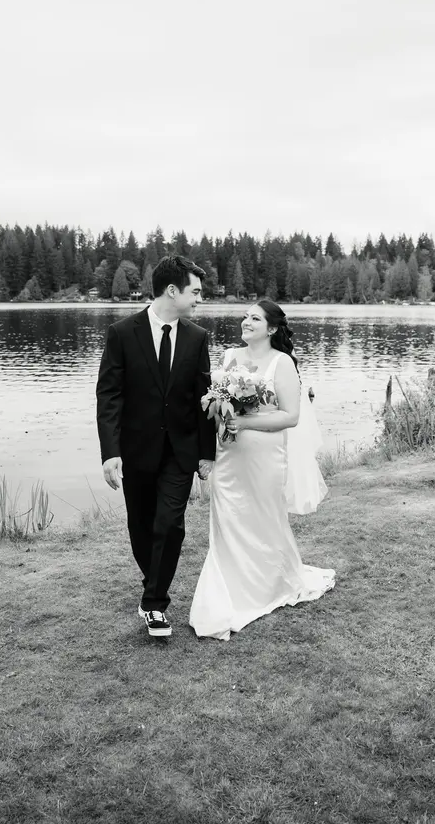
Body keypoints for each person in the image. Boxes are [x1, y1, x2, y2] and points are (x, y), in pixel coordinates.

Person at [189, 299, 334, 641]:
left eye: (255, 318)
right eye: (245, 316)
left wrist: (244, 421)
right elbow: (216, 403)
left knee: (264, 518)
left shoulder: (282, 363)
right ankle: (229, 587)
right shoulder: (229, 357)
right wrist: (219, 413)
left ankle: (269, 584)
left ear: (271, 328)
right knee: (228, 518)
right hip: (229, 454)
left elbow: (291, 416)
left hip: (266, 456)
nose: (247, 322)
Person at [96, 255, 216, 638]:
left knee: (171, 524)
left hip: (180, 451)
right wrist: (110, 452)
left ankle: (154, 604)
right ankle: (154, 580)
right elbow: (109, 396)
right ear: (172, 291)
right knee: (141, 526)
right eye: (195, 291)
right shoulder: (121, 333)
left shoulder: (198, 337)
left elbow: (203, 397)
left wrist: (207, 453)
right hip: (136, 451)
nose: (199, 299)